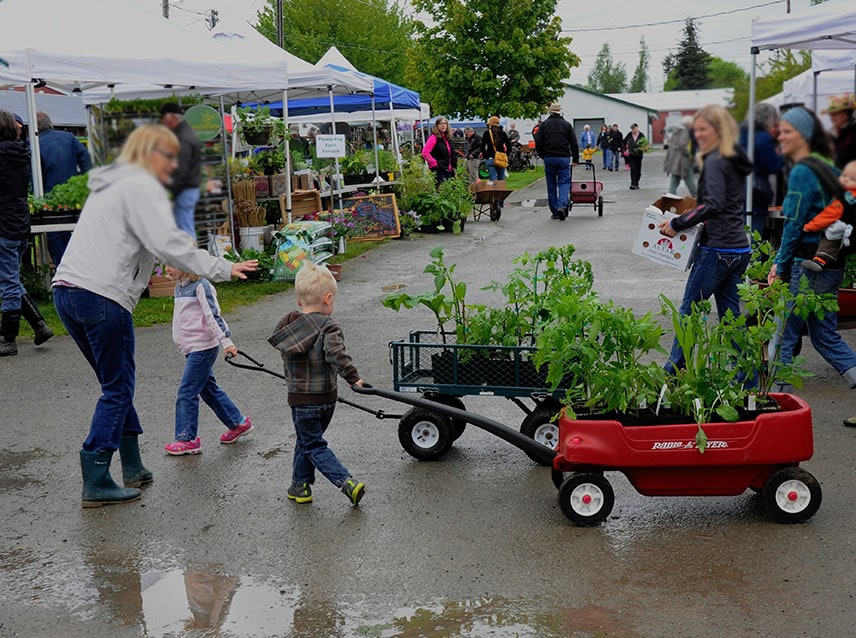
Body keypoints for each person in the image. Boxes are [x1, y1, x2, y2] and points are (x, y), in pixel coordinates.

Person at [51, 124, 258, 507]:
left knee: (114, 384)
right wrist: (223, 268)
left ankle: (133, 467)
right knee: (117, 388)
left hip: (67, 291)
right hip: (102, 297)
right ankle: (96, 477)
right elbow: (169, 246)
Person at [766, 107, 856, 424]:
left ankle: (774, 405)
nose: (781, 136)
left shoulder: (803, 171)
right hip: (832, 262)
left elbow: (792, 225)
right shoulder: (827, 165)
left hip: (808, 264)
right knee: (824, 335)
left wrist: (779, 263)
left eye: (788, 131)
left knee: (785, 333)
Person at [658, 105, 754, 373]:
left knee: (689, 313)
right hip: (739, 249)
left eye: (704, 129)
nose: (698, 134)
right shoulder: (735, 156)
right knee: (732, 319)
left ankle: (673, 374)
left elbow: (713, 203)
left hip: (717, 250)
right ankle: (746, 380)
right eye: (696, 129)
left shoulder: (714, 160)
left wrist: (677, 223)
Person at [268, 260, 366, 507]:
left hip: (300, 401)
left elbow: (281, 333)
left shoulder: (288, 325)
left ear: (300, 301)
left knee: (310, 443)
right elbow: (337, 356)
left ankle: (344, 482)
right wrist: (354, 378)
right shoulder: (329, 326)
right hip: (326, 400)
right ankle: (301, 486)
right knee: (309, 442)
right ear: (328, 298)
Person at [163, 265, 254, 456]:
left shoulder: (201, 286)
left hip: (202, 348)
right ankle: (238, 423)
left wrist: (226, 342)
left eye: (171, 263)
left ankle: (186, 439)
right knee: (208, 390)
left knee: (186, 392)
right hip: (191, 348)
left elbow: (213, 315)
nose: (167, 268)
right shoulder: (180, 287)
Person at [0, 109, 54, 357]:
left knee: (8, 283)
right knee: (11, 278)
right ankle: (39, 325)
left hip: (3, 225)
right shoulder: (21, 154)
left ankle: (7, 338)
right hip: (19, 223)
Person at [36, 112, 92, 267]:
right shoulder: (69, 138)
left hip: (49, 199)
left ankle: (63, 269)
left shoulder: (35, 143)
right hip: (74, 196)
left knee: (55, 235)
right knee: (76, 233)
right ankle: (77, 267)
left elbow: (34, 173)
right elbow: (86, 159)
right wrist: (81, 180)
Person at [800, 160, 855, 272]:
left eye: (852, 179)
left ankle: (819, 260)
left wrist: (810, 226)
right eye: (844, 175)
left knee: (831, 240)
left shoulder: (844, 198)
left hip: (843, 231)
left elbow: (828, 215)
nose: (845, 180)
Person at [159, 102, 202, 238]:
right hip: (187, 189)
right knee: (185, 229)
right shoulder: (185, 133)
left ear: (171, 117)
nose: (163, 123)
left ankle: (192, 258)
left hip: (184, 190)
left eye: (164, 119)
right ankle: (190, 257)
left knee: (185, 231)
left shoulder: (182, 138)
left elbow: (181, 171)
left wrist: (171, 194)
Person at [740, 103, 783, 238]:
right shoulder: (762, 137)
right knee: (754, 235)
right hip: (755, 193)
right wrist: (782, 155)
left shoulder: (741, 133)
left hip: (736, 189)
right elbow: (773, 166)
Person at [534, 102, 579, 220]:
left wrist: (542, 154)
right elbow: (574, 143)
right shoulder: (567, 125)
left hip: (549, 157)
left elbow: (538, 141)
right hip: (563, 157)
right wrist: (575, 159)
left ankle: (554, 210)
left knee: (551, 184)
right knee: (564, 182)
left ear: (550, 111)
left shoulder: (544, 125)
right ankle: (562, 205)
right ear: (560, 112)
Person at [663, 116, 698, 198]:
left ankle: (671, 198)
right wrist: (689, 154)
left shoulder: (676, 131)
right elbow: (682, 145)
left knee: (674, 181)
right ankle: (696, 198)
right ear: (688, 124)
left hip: (674, 161)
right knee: (689, 180)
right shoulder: (684, 132)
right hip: (682, 161)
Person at [824, 93, 856, 169]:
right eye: (831, 115)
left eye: (835, 114)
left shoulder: (854, 132)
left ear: (846, 114)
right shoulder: (832, 133)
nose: (831, 119)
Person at [421, 117, 455, 186]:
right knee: (441, 189)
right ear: (437, 126)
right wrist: (434, 163)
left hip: (449, 168)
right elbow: (425, 153)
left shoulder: (447, 138)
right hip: (439, 169)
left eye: (444, 123)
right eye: (440, 123)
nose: (443, 125)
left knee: (451, 189)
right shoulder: (433, 137)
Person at [481, 116, 511, 182]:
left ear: (490, 124)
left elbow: (482, 147)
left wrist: (486, 156)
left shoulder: (487, 133)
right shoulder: (503, 133)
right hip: (501, 158)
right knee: (501, 179)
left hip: (490, 158)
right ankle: (501, 191)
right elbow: (509, 147)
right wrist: (505, 154)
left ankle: (494, 191)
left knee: (493, 179)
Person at [623, 123, 649, 189]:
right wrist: (625, 150)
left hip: (639, 155)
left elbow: (645, 144)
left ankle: (636, 183)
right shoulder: (629, 134)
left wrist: (645, 148)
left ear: (637, 128)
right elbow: (624, 142)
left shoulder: (641, 135)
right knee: (633, 169)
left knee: (638, 170)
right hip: (631, 155)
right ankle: (632, 184)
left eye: (633, 129)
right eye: (631, 129)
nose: (632, 130)